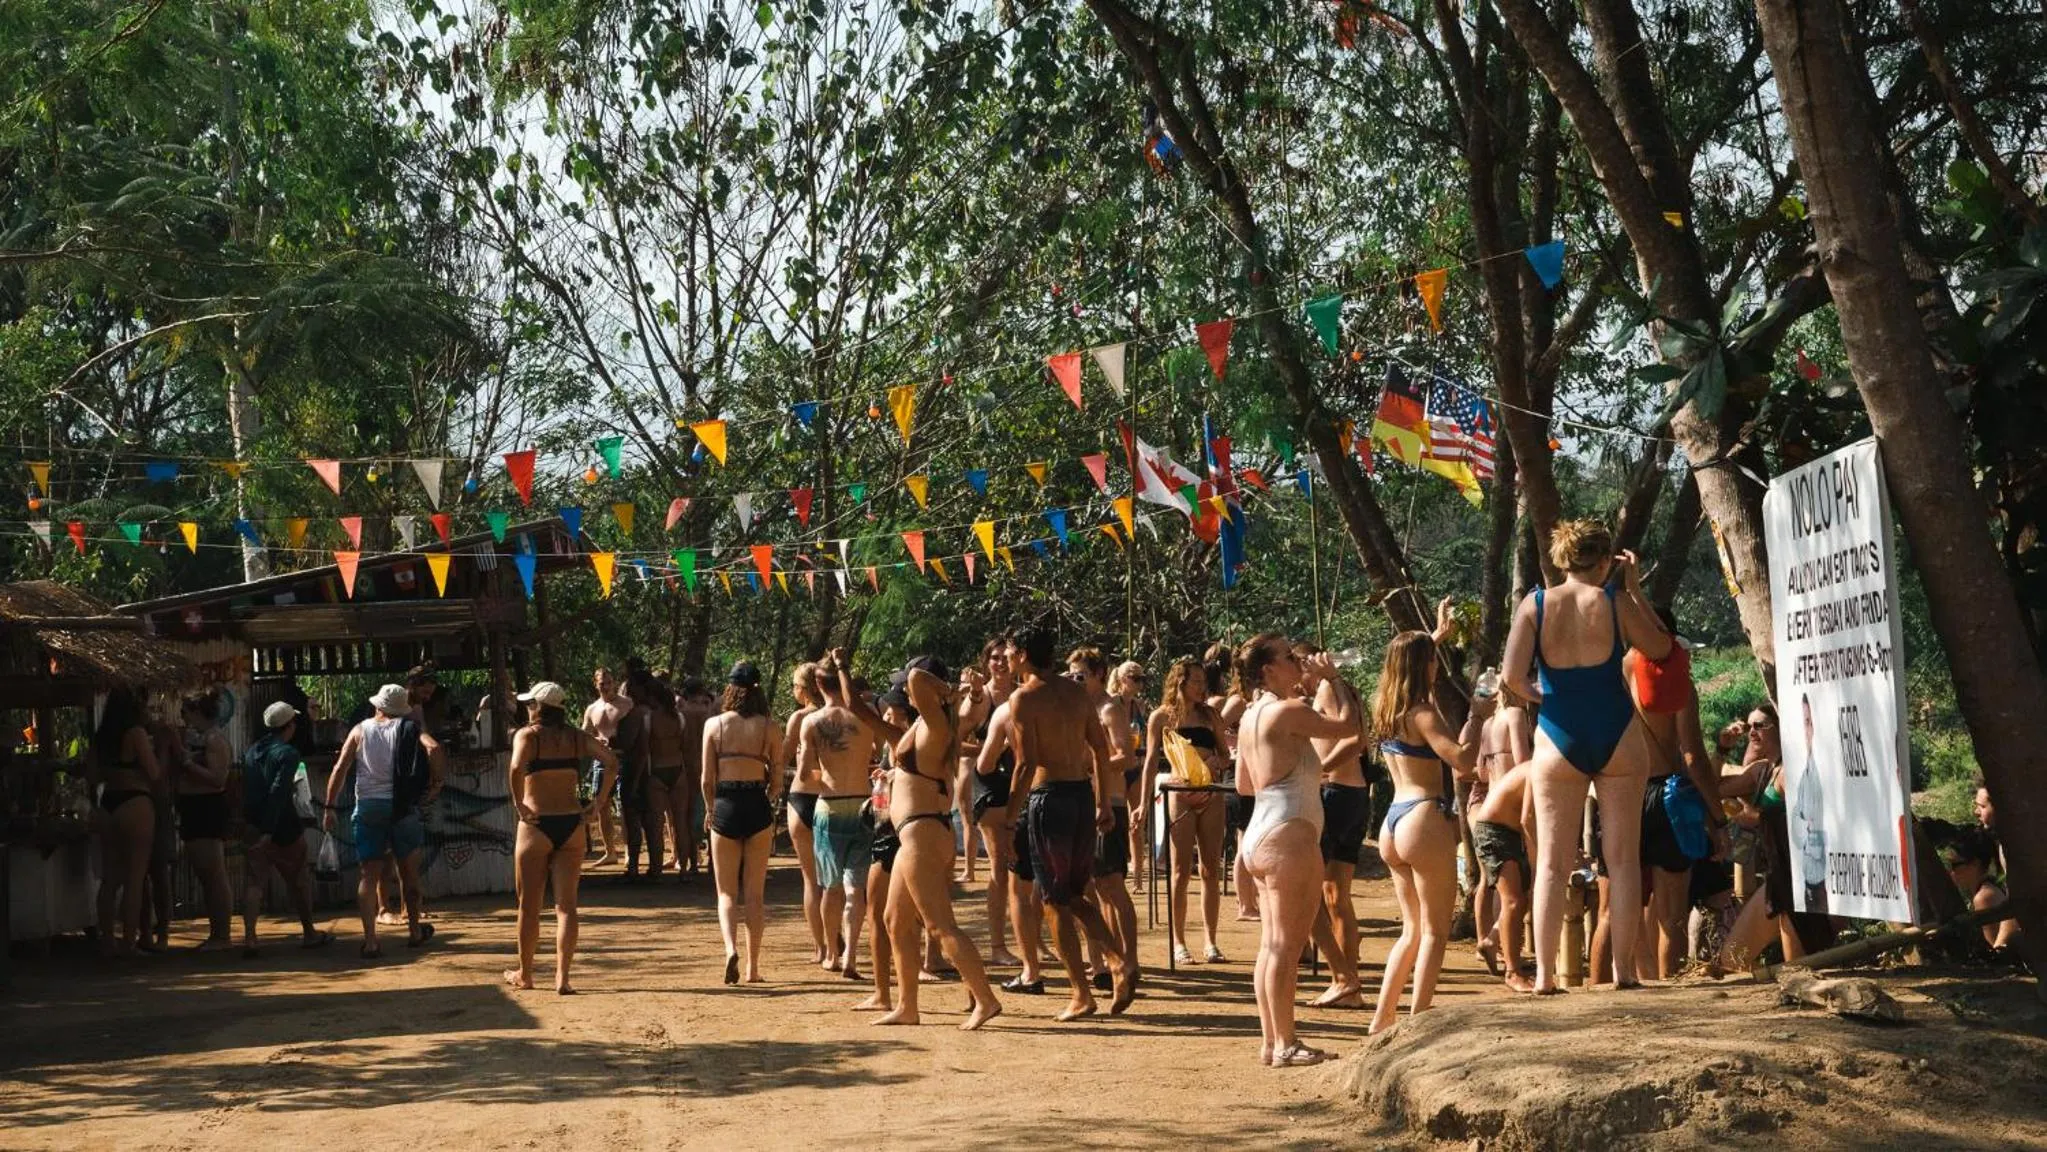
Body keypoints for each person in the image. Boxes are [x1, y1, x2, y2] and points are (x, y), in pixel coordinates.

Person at [1500, 519, 1671, 992]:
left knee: (1552, 863)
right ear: (1604, 560)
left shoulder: (1534, 604)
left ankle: (1544, 978)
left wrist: (1549, 697)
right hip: (1616, 731)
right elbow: (1660, 648)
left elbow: (1512, 677)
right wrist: (1634, 590)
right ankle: (1624, 973)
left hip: (1558, 734)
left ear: (1563, 559)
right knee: (1622, 860)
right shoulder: (1615, 602)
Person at [838, 652, 1003, 1029]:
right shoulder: (915, 730)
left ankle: (986, 999)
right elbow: (858, 710)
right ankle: (907, 1006)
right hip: (913, 835)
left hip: (923, 834)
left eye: (910, 684)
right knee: (895, 920)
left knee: (940, 926)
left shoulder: (937, 727)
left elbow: (915, 680)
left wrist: (951, 690)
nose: (904, 690)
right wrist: (841, 668)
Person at [1234, 635, 1365, 1065]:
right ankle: (1286, 1042)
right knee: (1286, 948)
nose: (1299, 663)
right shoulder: (1287, 710)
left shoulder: (1252, 714)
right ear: (1268, 671)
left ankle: (1273, 1042)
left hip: (1261, 830)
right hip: (1288, 836)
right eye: (1289, 658)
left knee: (1272, 945)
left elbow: (1243, 785)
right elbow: (1350, 726)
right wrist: (1333, 678)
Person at [1368, 617, 1488, 1034]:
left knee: (1411, 929)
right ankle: (1418, 1021)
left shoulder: (1384, 708)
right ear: (1425, 668)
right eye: (1433, 660)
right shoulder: (1423, 714)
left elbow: (1411, 662)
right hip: (1423, 815)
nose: (1438, 666)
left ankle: (1382, 1018)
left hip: (1393, 820)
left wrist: (1432, 637)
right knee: (1435, 931)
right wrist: (1477, 717)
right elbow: (1463, 761)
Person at [1008, 629, 1134, 1021]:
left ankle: (1081, 992)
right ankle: (1117, 959)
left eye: (1011, 651)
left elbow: (1026, 763)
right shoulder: (1077, 693)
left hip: (1049, 800)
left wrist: (1010, 814)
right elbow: (1100, 748)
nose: (1009, 657)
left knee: (1052, 901)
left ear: (1024, 655)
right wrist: (1101, 802)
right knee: (1075, 893)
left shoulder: (1024, 698)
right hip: (1081, 795)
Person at [1625, 608, 1730, 980]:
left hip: (1621, 794)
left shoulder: (1614, 676)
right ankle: (1668, 993)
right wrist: (1717, 819)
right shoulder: (1673, 682)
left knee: (1616, 909)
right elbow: (1692, 757)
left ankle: (1610, 990)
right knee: (1671, 916)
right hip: (1665, 795)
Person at [503, 682, 617, 993]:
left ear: (538, 707)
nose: (527, 709)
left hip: (536, 823)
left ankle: (525, 974)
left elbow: (515, 768)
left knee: (529, 905)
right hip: (571, 824)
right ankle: (562, 978)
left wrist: (519, 804)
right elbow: (611, 761)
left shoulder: (527, 736)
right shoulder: (576, 738)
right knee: (567, 906)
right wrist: (598, 802)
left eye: (530, 705)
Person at [323, 684, 435, 958]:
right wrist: (435, 785)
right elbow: (433, 749)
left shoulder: (360, 730)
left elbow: (340, 768)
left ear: (377, 705)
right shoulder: (409, 730)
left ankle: (371, 940)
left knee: (368, 875)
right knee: (408, 871)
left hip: (369, 807)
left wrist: (329, 806)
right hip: (401, 807)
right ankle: (414, 931)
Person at [1143, 655, 1228, 964]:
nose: (1201, 688)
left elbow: (1225, 754)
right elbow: (1150, 762)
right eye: (1196, 682)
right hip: (1178, 792)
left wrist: (1214, 763)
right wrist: (1141, 804)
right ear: (1180, 681)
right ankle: (1178, 941)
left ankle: (1211, 940)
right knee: (1179, 871)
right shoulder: (1161, 717)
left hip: (1210, 791)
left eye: (1203, 682)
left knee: (1209, 868)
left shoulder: (1210, 715)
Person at [1298, 643, 1370, 1006]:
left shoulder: (1329, 689)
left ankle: (1344, 977)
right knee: (1336, 896)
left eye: (1302, 669)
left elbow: (1357, 739)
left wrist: (1322, 768)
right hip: (1354, 797)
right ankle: (1349, 983)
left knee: (1314, 895)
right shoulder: (1343, 690)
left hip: (1336, 794)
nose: (1300, 679)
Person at [701, 661, 780, 984]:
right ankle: (753, 968)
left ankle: (730, 948)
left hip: (725, 804)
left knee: (726, 892)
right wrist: (770, 801)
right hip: (756, 804)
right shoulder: (770, 727)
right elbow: (776, 779)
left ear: (730, 689)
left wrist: (709, 809)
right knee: (755, 894)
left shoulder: (714, 725)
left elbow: (707, 778)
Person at [804, 652, 878, 980]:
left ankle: (833, 954)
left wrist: (829, 780)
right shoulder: (865, 716)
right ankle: (851, 953)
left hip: (830, 807)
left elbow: (806, 774)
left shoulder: (811, 722)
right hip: (864, 803)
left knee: (830, 888)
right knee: (855, 888)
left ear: (818, 684)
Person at [1070, 646, 1140, 986]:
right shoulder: (1077, 707)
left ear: (1099, 674)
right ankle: (1102, 960)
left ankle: (1131, 958)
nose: (1075, 681)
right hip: (1083, 801)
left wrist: (1092, 766)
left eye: (1080, 675)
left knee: (1112, 886)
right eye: (1070, 675)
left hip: (1108, 802)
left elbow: (1126, 757)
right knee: (1090, 887)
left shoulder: (1109, 709)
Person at [239, 702, 331, 956]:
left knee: (254, 882)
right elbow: (279, 792)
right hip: (282, 827)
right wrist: (270, 831)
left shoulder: (251, 751)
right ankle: (309, 933)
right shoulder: (288, 754)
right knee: (299, 881)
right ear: (289, 726)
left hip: (254, 823)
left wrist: (256, 826)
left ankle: (250, 938)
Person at [977, 680, 1046, 993]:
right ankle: (1103, 962)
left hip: (1026, 798)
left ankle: (1032, 966)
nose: (1001, 664)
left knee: (1020, 884)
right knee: (1070, 887)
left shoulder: (1007, 710)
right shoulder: (1068, 700)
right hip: (1063, 795)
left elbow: (985, 763)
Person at [957, 636, 1022, 967]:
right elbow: (955, 737)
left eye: (1004, 657)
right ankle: (997, 946)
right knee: (999, 865)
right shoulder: (981, 698)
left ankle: (1033, 940)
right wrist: (991, 750)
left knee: (1026, 868)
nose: (999, 662)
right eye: (993, 657)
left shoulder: (1025, 694)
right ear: (986, 662)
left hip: (1024, 784)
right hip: (990, 785)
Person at [1472, 675, 1534, 979]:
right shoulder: (1516, 715)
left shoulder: (1488, 723)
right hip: (1513, 808)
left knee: (1498, 887)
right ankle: (1511, 962)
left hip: (1491, 802)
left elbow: (1482, 773)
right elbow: (1523, 762)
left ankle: (1494, 939)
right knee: (1516, 895)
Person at [92, 686, 161, 958]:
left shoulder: (100, 737)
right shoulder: (136, 733)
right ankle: (129, 943)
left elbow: (91, 777)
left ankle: (106, 940)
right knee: (135, 877)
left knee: (110, 879)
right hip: (135, 801)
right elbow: (153, 772)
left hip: (109, 802)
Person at [176, 690, 236, 950]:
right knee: (205, 873)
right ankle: (217, 932)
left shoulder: (214, 740)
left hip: (206, 807)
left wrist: (188, 765)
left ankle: (221, 935)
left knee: (214, 874)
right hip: (192, 806)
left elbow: (218, 779)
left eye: (185, 712)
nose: (183, 718)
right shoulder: (198, 739)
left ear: (197, 712)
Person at [1471, 755, 1536, 991]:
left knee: (1522, 898)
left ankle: (1492, 941)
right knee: (1513, 901)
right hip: (1494, 832)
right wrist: (1536, 861)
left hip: (1509, 833)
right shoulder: (1536, 769)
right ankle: (1513, 972)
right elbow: (1528, 819)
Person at [1204, 642, 1257, 921]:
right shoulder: (1237, 700)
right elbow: (1215, 731)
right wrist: (1237, 743)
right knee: (1243, 839)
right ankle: (1244, 904)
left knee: (1250, 838)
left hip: (1253, 770)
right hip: (1236, 771)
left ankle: (1251, 900)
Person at [782, 662, 828, 964]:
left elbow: (783, 757)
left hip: (801, 797)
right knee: (833, 879)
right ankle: (836, 943)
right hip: (830, 795)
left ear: (803, 689)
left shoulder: (799, 718)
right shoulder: (837, 716)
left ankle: (821, 947)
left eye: (795, 686)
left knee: (811, 879)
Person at [580, 666, 635, 866]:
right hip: (600, 761)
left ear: (614, 683)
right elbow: (584, 735)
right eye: (602, 683)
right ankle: (610, 851)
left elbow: (636, 731)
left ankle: (629, 850)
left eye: (609, 682)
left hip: (623, 760)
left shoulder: (627, 704)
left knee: (624, 806)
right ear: (596, 685)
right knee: (600, 805)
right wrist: (596, 742)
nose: (606, 687)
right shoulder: (592, 709)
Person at [637, 675, 690, 880]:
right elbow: (684, 747)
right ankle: (683, 869)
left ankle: (656, 870)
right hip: (678, 770)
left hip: (657, 772)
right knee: (680, 823)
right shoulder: (679, 718)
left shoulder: (649, 719)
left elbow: (644, 750)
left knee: (656, 824)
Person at [1110, 661, 1150, 887]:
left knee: (1138, 819)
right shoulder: (1111, 704)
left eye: (1141, 678)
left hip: (1135, 766)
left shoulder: (1140, 706)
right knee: (1116, 818)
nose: (1139, 682)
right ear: (1122, 679)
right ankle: (1117, 867)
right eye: (1135, 678)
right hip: (1116, 767)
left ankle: (1138, 875)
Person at [1943, 828, 2017, 950]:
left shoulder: (1984, 897)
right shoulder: (1987, 889)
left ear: (1975, 864)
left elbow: (1995, 949)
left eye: (1955, 865)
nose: (1951, 871)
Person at [677, 678, 717, 875]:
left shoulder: (682, 715)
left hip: (687, 770)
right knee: (712, 814)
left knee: (686, 817)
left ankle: (690, 865)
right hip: (710, 770)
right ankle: (711, 861)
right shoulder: (712, 714)